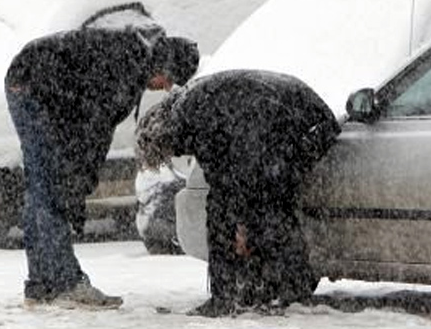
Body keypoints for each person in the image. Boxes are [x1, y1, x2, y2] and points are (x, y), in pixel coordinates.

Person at [4, 3, 199, 309]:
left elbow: (89, 125)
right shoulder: (128, 71)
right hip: (34, 87)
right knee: (51, 188)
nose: (164, 89)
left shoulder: (136, 59)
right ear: (166, 67)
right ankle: (67, 283)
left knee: (43, 186)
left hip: (34, 82)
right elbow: (93, 131)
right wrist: (80, 182)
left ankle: (41, 284)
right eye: (169, 81)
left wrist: (80, 178)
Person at [136, 69, 340, 317]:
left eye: (170, 153)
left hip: (295, 128)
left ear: (164, 138)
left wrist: (237, 226)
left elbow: (226, 181)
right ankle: (281, 287)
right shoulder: (193, 102)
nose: (176, 155)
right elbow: (230, 170)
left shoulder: (194, 117)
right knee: (268, 204)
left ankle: (232, 296)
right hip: (309, 122)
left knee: (249, 209)